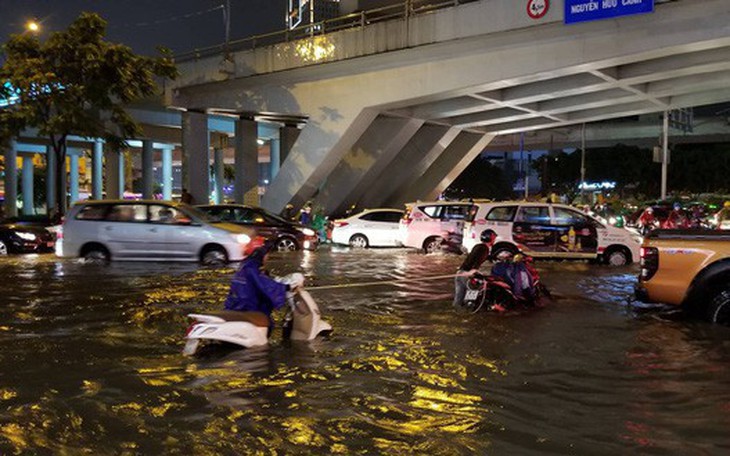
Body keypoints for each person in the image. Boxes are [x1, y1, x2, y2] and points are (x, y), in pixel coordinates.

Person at [223, 237, 305, 331]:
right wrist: (287, 287)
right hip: (247, 309)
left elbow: (262, 282)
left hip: (235, 307)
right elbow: (266, 286)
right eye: (267, 255)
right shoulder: (252, 270)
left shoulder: (245, 266)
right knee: (269, 324)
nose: (268, 258)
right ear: (261, 255)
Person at [453, 230, 496, 309]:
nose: (494, 240)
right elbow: (478, 261)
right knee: (472, 296)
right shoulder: (485, 249)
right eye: (494, 238)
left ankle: (456, 311)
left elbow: (473, 258)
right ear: (490, 238)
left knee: (458, 299)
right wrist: (473, 271)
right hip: (467, 275)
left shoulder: (478, 246)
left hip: (460, 273)